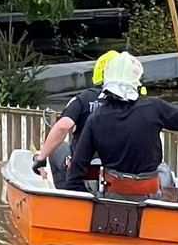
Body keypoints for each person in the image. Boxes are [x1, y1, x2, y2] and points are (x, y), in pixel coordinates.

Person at [64, 51, 178, 198]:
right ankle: (167, 212)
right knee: (165, 172)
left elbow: (75, 174)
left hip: (112, 195)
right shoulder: (154, 107)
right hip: (149, 195)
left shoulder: (96, 118)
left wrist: (92, 201)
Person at [30, 50, 119, 188]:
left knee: (57, 148)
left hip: (83, 168)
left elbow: (62, 127)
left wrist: (40, 159)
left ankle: (68, 195)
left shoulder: (84, 98)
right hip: (120, 170)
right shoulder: (135, 104)